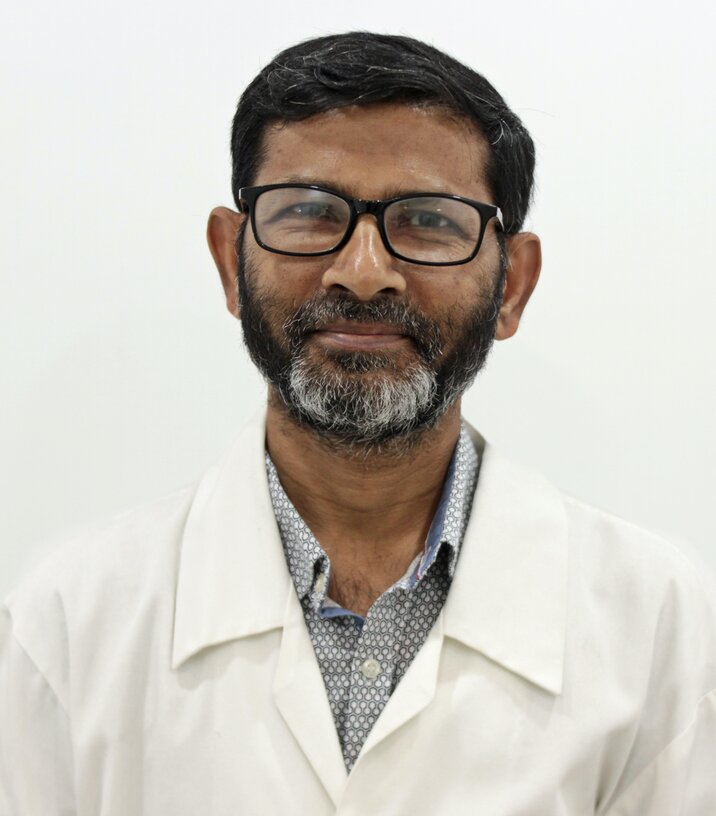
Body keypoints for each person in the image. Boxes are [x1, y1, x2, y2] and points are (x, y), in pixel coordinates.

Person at [1, 31, 715, 816]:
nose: (364, 273)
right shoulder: (69, 621)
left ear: (512, 285)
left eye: (428, 220)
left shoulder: (656, 621)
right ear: (231, 261)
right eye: (310, 212)